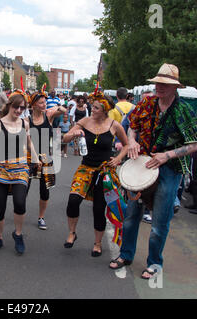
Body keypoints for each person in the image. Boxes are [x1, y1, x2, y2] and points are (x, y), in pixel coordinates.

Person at [109, 63, 197, 279]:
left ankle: (154, 263)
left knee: (159, 222)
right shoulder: (147, 103)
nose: (159, 87)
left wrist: (167, 155)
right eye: (158, 83)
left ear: (175, 88)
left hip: (169, 168)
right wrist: (132, 141)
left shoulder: (184, 112)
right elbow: (132, 125)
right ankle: (125, 255)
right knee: (131, 216)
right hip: (142, 162)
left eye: (165, 84)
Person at [63, 89, 128, 257]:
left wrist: (118, 158)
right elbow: (65, 138)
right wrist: (73, 133)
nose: (92, 110)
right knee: (73, 200)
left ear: (105, 110)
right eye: (92, 107)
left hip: (104, 171)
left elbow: (126, 145)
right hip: (85, 168)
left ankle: (97, 243)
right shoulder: (85, 121)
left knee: (99, 208)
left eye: (96, 108)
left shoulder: (114, 125)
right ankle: (72, 233)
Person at [0, 92, 40, 255]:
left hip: (21, 168)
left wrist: (35, 160)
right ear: (9, 106)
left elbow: (29, 143)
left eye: (23, 107)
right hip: (1, 169)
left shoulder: (25, 124)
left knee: (20, 203)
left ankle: (18, 234)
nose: (19, 110)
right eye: (16, 106)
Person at [26, 87, 66, 230]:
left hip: (46, 158)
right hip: (30, 157)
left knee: (45, 190)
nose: (44, 105)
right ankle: (20, 213)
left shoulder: (48, 116)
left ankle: (41, 217)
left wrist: (55, 106)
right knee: (24, 188)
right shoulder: (27, 119)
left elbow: (64, 111)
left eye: (45, 102)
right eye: (42, 103)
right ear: (34, 104)